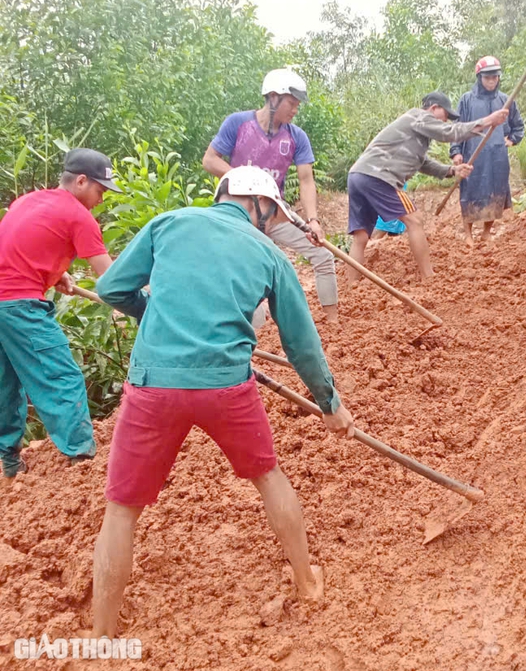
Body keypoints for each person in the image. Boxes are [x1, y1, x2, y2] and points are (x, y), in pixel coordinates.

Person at [91, 166, 354, 637]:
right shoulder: (270, 255)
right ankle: (307, 582)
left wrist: (153, 311)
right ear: (262, 204)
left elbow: (111, 288)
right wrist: (330, 404)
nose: (269, 222)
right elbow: (301, 343)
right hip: (226, 387)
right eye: (271, 213)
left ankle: (101, 636)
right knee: (268, 476)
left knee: (121, 509)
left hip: (153, 385)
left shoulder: (169, 223)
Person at [0, 149, 117, 479]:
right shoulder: (79, 216)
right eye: (100, 190)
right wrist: (144, 304)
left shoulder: (26, 201)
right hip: (19, 306)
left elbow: (18, 244)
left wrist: (52, 274)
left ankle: (9, 462)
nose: (101, 199)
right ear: (81, 181)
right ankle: (82, 464)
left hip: (4, 300)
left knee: (6, 384)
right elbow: (111, 280)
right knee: (61, 378)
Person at [202, 68, 339, 323]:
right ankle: (255, 340)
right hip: (240, 218)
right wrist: (246, 181)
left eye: (298, 105)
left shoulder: (297, 137)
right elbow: (209, 160)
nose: (295, 110)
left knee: (323, 255)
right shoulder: (238, 124)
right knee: (250, 276)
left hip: (276, 214)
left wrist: (313, 220)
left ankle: (333, 325)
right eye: (292, 103)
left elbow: (306, 180)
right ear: (273, 97)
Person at [347, 91, 508, 280]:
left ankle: (352, 287)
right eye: (445, 116)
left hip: (358, 175)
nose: (446, 121)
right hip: (379, 176)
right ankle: (428, 277)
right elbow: (450, 133)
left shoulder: (414, 130)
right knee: (414, 220)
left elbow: (422, 163)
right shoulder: (419, 116)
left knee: (361, 236)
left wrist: (452, 170)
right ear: (433, 108)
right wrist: (488, 120)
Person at [450, 56, 525, 246]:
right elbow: (457, 128)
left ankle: (486, 232)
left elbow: (518, 126)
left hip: (497, 157)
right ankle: (468, 234)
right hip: (472, 154)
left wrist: (511, 140)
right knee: (469, 192)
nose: (491, 81)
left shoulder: (505, 101)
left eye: (495, 78)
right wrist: (456, 152)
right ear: (479, 78)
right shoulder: (467, 100)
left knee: (495, 191)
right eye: (487, 78)